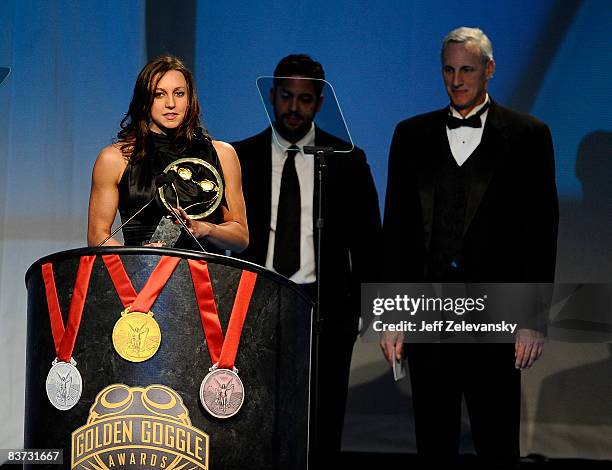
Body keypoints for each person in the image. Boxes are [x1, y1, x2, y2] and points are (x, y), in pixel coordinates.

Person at [380, 27, 558, 467]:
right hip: (429, 309)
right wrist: (391, 314)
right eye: (449, 69)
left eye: (467, 69)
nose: (456, 80)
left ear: (489, 70)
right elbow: (397, 232)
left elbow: (540, 230)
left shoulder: (528, 134)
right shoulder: (411, 135)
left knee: (496, 439)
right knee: (433, 439)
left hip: (496, 312)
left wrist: (532, 319)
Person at [231, 54, 382, 465]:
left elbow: (368, 243)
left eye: (304, 99)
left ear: (318, 102)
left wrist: (372, 308)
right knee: (254, 412)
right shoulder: (240, 157)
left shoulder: (347, 158)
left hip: (326, 308)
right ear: (272, 95)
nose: (293, 107)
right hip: (257, 303)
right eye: (285, 96)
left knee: (324, 417)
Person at [87, 55, 248, 252]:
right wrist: (139, 258)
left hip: (205, 278)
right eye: (159, 94)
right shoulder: (115, 159)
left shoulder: (223, 154)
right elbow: (97, 236)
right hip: (142, 280)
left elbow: (240, 238)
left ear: (190, 99)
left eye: (179, 93)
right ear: (144, 99)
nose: (170, 103)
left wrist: (205, 229)